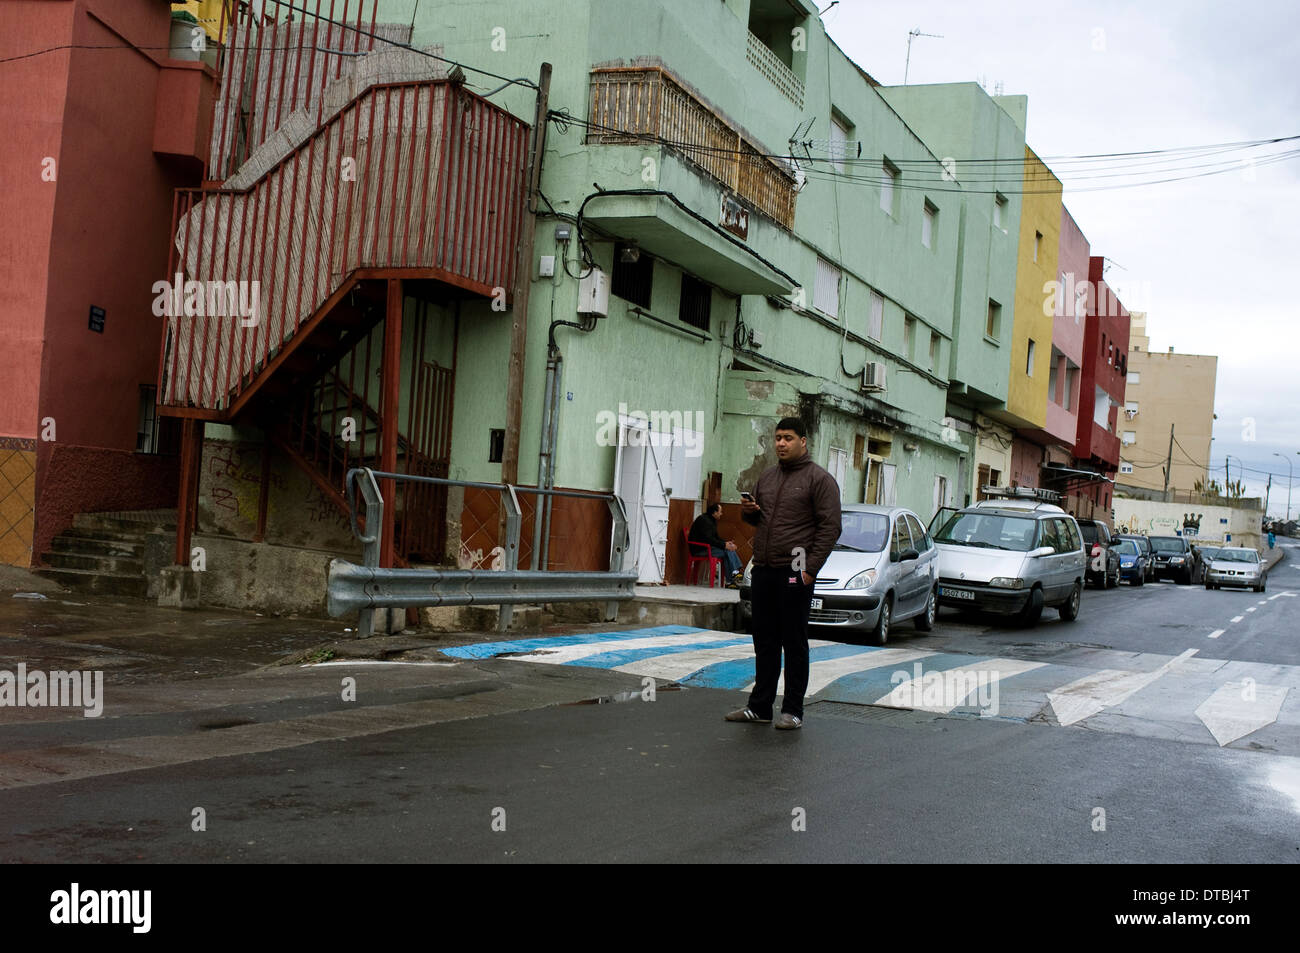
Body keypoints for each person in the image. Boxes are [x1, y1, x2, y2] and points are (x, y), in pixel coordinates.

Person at [725, 417, 841, 730]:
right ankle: (759, 707)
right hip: (764, 567)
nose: (781, 443)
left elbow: (830, 528)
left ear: (804, 441)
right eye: (777, 438)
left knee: (793, 640)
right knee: (764, 640)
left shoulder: (820, 480)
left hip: (795, 569)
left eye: (788, 438)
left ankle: (792, 710)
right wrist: (749, 514)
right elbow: (758, 523)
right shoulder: (768, 477)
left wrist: (810, 569)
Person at [688, 502, 743, 587]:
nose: (721, 514)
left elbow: (716, 537)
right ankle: (733, 576)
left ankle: (731, 579)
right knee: (727, 551)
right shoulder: (704, 520)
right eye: (720, 511)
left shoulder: (712, 520)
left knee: (729, 550)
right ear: (714, 512)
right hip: (700, 549)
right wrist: (724, 545)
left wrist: (726, 543)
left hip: (708, 547)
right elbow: (708, 539)